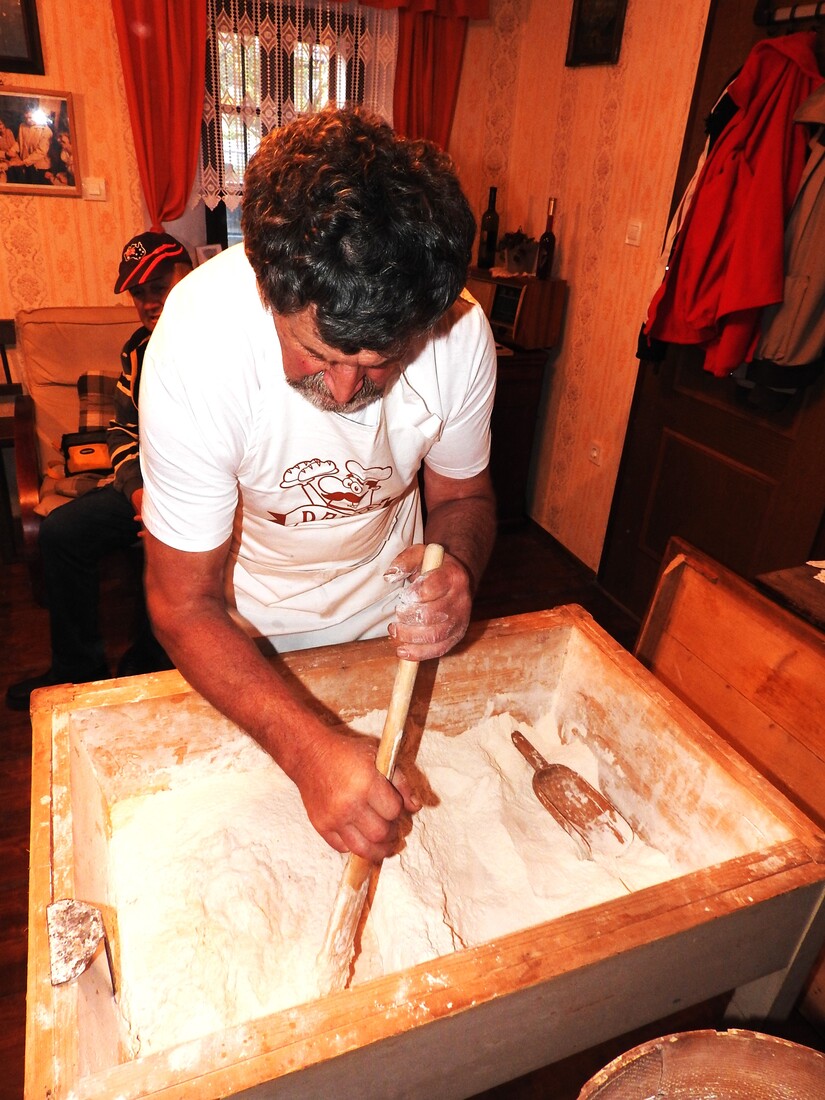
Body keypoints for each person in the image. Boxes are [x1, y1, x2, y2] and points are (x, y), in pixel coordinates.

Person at [139, 107, 498, 865]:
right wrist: (305, 748)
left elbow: (463, 499)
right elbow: (182, 604)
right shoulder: (198, 343)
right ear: (267, 290)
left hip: (388, 629)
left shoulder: (461, 335)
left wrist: (457, 569)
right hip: (246, 643)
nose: (342, 392)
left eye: (378, 364)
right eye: (316, 354)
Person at [6, 232, 193, 711]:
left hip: (202, 492)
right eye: (138, 293)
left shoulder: (226, 342)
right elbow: (122, 431)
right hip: (145, 486)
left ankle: (150, 664)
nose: (148, 302)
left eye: (158, 286)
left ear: (188, 274)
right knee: (61, 531)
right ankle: (76, 670)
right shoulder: (137, 350)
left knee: (168, 543)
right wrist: (137, 493)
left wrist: (169, 505)